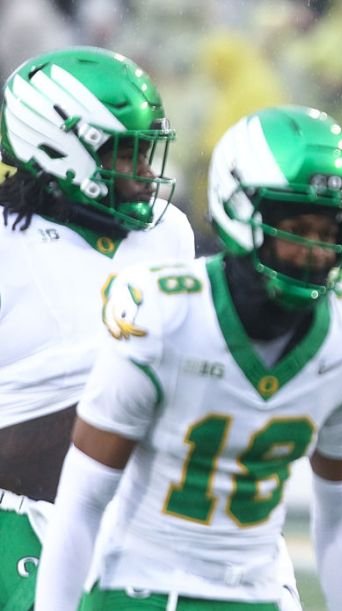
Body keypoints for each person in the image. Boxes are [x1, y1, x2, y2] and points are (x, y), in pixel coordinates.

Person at [34, 106, 342, 610]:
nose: (315, 250)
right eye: (298, 226)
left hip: (256, 593)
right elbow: (85, 494)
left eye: (329, 232)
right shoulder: (166, 312)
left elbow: (341, 504)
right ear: (240, 211)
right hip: (141, 589)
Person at [0, 46, 195, 610]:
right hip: (17, 513)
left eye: (146, 153)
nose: (146, 175)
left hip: (140, 517)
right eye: (127, 155)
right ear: (59, 149)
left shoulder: (169, 233)